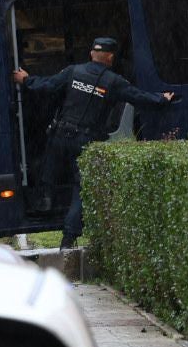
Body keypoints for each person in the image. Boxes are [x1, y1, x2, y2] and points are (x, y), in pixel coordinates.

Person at [12, 37, 175, 248]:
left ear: (91, 54)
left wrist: (26, 80)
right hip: (85, 141)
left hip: (60, 136)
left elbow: (48, 86)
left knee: (47, 171)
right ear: (111, 57)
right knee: (80, 189)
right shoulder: (114, 82)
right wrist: (161, 99)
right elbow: (138, 96)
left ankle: (45, 200)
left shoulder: (73, 72)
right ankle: (68, 239)